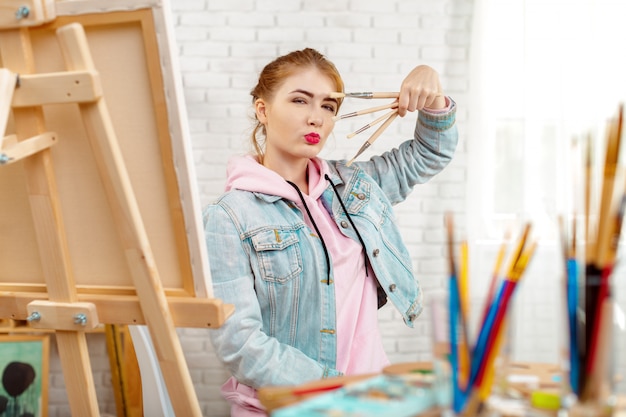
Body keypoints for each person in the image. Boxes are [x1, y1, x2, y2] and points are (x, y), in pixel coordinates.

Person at [203, 47, 458, 416]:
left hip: (371, 400)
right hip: (291, 406)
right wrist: (336, 387)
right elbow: (240, 345)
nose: (315, 118)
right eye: (299, 101)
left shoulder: (355, 186)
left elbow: (430, 154)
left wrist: (433, 96)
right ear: (263, 110)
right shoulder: (228, 217)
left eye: (328, 106)